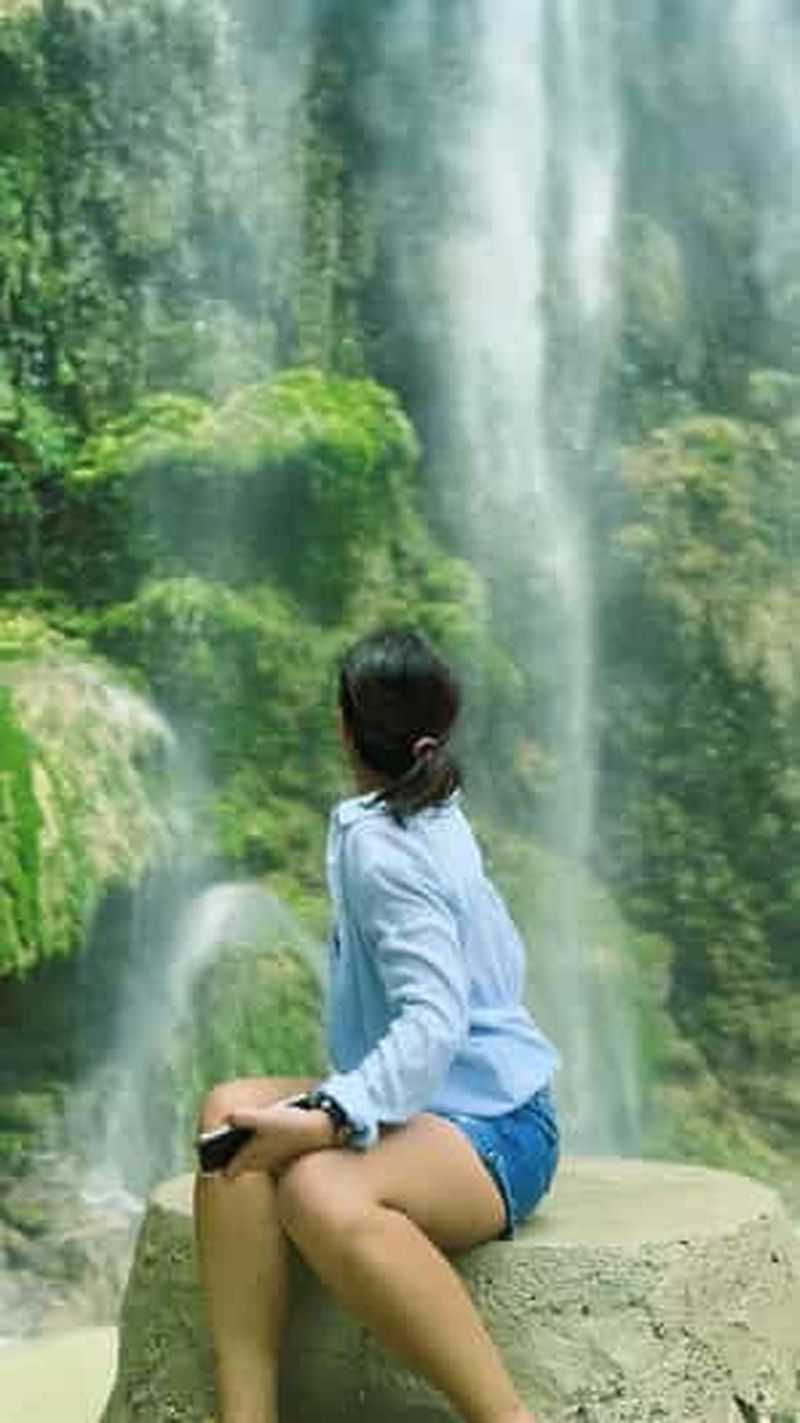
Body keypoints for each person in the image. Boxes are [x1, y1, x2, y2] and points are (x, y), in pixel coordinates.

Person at [195, 627, 561, 1423]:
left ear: (344, 724)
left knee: (320, 1191)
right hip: (435, 1106)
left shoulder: (384, 848)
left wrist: (330, 1116)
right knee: (230, 1110)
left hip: (495, 1127)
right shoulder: (425, 809)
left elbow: (436, 1019)